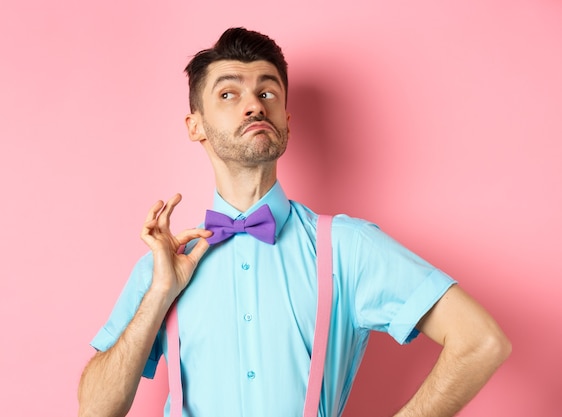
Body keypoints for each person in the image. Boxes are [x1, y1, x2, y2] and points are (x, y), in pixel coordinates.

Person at [77, 27, 511, 417]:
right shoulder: (161, 269)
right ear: (196, 126)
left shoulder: (348, 247)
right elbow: (94, 411)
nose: (253, 105)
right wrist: (158, 294)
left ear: (286, 119)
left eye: (268, 93)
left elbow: (481, 342)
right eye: (228, 95)